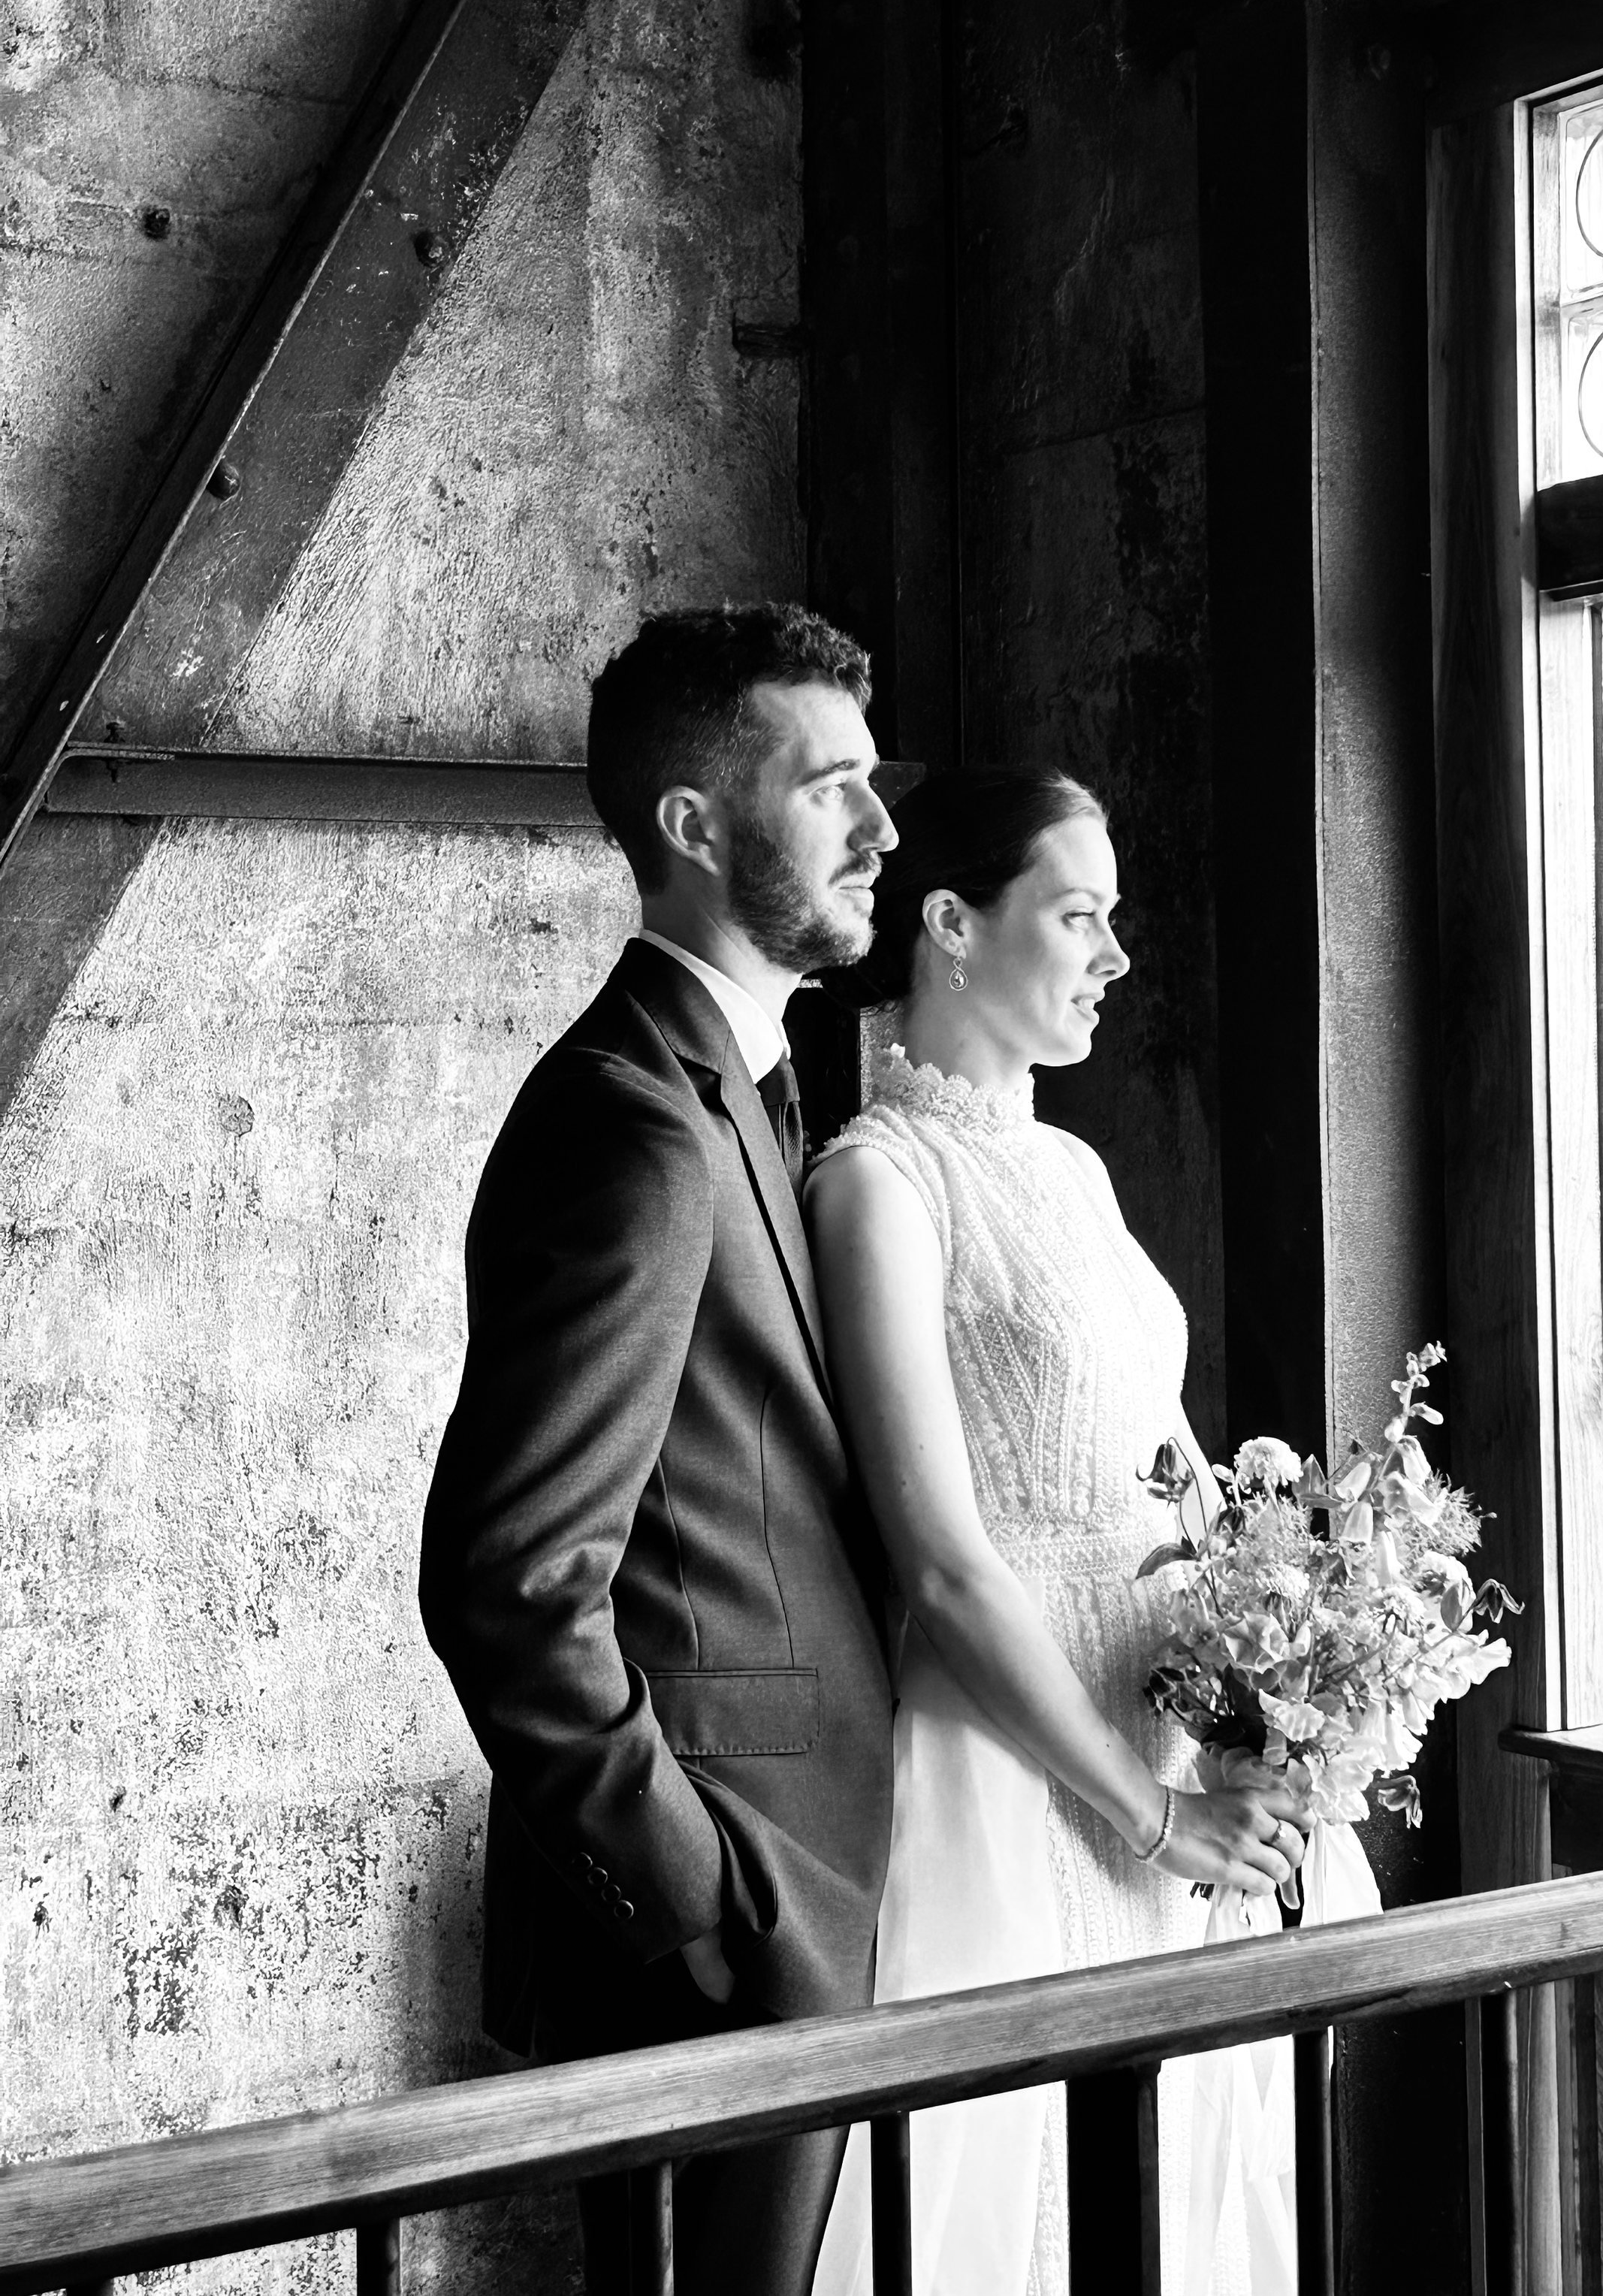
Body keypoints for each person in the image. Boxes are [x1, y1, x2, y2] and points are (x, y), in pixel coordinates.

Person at [418, 606, 900, 2296]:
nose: (880, 829)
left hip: (811, 1890)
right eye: (828, 786)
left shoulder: (735, 1088)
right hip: (724, 1916)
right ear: (694, 828)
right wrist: (699, 1905)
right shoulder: (629, 1122)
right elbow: (513, 1582)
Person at [803, 765, 1312, 2296]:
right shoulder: (876, 1181)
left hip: (1158, 1722)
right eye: (1077, 914)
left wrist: (1279, 1578)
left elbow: (1166, 1467)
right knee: (1006, 2199)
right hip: (1015, 1754)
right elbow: (942, 1564)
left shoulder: (1074, 1167)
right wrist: (1144, 1814)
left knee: (1179, 2194)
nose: (1114, 955)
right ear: (950, 924)